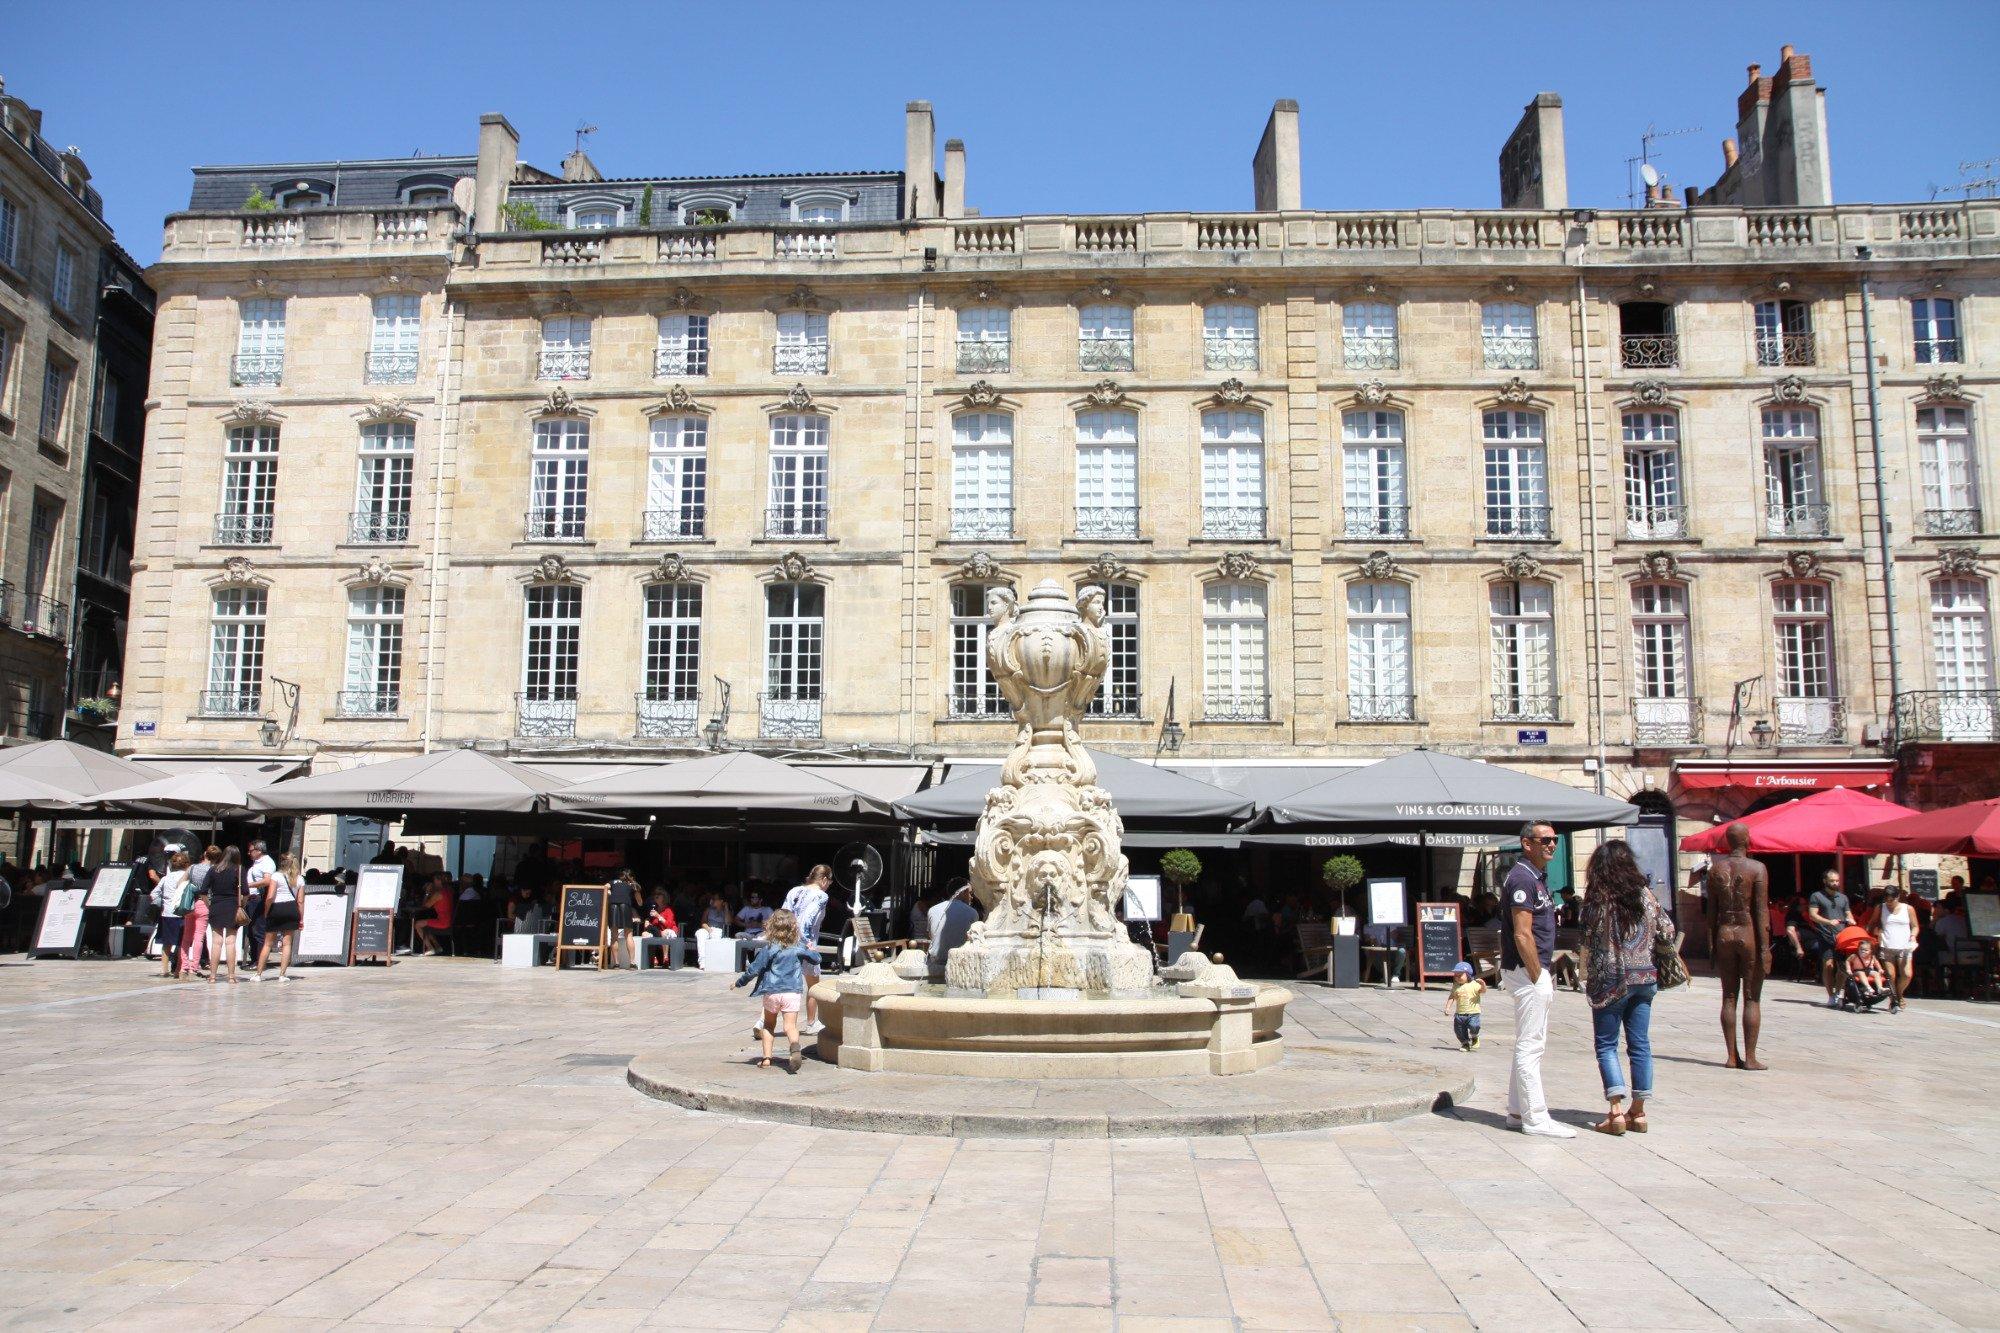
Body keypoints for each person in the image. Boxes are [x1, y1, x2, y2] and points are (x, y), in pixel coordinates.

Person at [1581, 840, 1674, 1135]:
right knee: (1640, 1045)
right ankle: (1639, 1112)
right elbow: (1667, 930)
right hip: (1645, 978)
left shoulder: (1598, 898)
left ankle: (1616, 1112)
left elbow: (1587, 936)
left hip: (1611, 979)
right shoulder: (1646, 894)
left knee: (1607, 1045)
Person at [1501, 819, 1575, 1137]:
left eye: (1554, 840)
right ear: (1526, 843)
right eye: (1545, 840)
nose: (1552, 845)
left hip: (1533, 969)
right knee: (1532, 1045)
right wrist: (1537, 975)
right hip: (1527, 970)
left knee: (1529, 1042)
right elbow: (1522, 934)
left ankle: (1518, 1112)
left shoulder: (1536, 877)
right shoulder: (1522, 878)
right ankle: (1535, 1118)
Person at [1705, 822, 1770, 1070]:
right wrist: (1765, 949)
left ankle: (1731, 1056)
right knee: (1752, 998)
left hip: (1724, 932)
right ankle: (1750, 1057)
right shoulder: (1758, 868)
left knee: (1728, 996)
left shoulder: (1716, 869)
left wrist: (1711, 945)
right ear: (1747, 840)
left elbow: (1710, 912)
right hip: (1748, 931)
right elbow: (1761, 912)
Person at [734, 908, 814, 1073]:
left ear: (771, 927)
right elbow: (817, 959)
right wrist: (810, 949)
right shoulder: (798, 947)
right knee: (790, 1026)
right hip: (792, 992)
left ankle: (766, 1059)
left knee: (769, 1025)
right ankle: (795, 1048)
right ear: (794, 928)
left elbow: (754, 969)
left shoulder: (769, 948)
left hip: (772, 991)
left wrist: (739, 982)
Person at [782, 864, 833, 1032]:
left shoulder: (794, 891)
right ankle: (811, 1023)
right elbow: (808, 920)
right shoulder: (821, 896)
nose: (829, 885)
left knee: (779, 982)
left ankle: (762, 1022)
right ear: (824, 879)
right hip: (806, 944)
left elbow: (783, 915)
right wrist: (806, 942)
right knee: (813, 985)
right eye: (830, 881)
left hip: (785, 942)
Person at [1806, 869, 1854, 1009]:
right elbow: (1812, 915)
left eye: (1837, 880)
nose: (1835, 883)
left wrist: (1851, 919)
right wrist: (1828, 922)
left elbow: (1848, 913)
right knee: (1829, 965)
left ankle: (1838, 992)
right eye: (1832, 881)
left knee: (1843, 966)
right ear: (1825, 881)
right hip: (1825, 934)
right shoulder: (1817, 896)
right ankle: (1830, 995)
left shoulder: (1843, 898)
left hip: (1841, 936)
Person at [256, 853, 305, 982]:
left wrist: (267, 911)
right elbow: (300, 901)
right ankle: (282, 975)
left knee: (268, 943)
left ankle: (258, 974)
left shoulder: (276, 876)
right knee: (287, 943)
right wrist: (301, 918)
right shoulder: (299, 879)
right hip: (291, 909)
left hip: (277, 908)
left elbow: (270, 896)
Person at [1874, 882, 1919, 1013]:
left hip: (1904, 946)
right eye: (1887, 900)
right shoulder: (1880, 908)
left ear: (1898, 897)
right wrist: (1878, 932)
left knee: (1907, 974)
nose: (1889, 903)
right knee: (1891, 975)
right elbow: (1871, 925)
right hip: (1887, 946)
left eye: (1892, 900)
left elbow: (1915, 926)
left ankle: (1898, 994)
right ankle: (1894, 999)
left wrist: (1913, 936)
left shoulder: (1908, 909)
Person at [206, 846, 246, 985]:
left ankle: (212, 976)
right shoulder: (239, 870)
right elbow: (245, 892)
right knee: (231, 942)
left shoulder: (213, 869)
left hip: (216, 906)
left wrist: (208, 905)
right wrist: (242, 905)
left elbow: (202, 890)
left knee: (216, 943)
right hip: (232, 906)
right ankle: (231, 976)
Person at [152, 852, 192, 980]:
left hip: (167, 913)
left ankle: (164, 970)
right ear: (186, 864)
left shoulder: (165, 878)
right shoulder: (188, 877)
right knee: (182, 943)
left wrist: (161, 902)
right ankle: (178, 970)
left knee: (166, 943)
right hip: (183, 914)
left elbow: (153, 894)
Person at [928, 882, 978, 979]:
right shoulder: (972, 912)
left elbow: (931, 936)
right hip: (960, 965)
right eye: (970, 893)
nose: (972, 897)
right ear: (963, 892)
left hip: (936, 963)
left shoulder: (933, 909)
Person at [242, 839, 277, 979]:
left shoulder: (267, 862)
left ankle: (259, 961)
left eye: (251, 851)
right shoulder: (257, 863)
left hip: (259, 900)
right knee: (251, 930)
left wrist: (249, 885)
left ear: (259, 850)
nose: (249, 853)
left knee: (258, 930)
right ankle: (254, 959)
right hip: (251, 900)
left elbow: (268, 880)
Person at [1843, 939, 1893, 1011]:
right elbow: (1847, 961)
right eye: (1861, 949)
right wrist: (1848, 969)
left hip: (1869, 971)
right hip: (1857, 972)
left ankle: (1880, 988)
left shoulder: (1872, 957)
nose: (1863, 951)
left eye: (1866, 950)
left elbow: (1876, 963)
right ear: (1858, 949)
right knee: (1861, 973)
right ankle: (1868, 987)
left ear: (1870, 951)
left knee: (1876, 973)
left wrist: (1880, 969)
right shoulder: (1854, 956)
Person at [1443, 961, 1483, 1051]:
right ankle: (1465, 1043)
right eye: (1455, 975)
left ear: (1468, 975)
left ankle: (1475, 1036)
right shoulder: (1456, 986)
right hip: (1459, 1014)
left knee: (1474, 1026)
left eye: (1460, 975)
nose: (1457, 978)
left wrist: (1483, 985)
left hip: (1473, 1013)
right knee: (1459, 1030)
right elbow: (1452, 997)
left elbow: (1482, 991)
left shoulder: (1474, 984)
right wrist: (1447, 1007)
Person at [414, 873, 454, 955]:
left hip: (443, 922)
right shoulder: (449, 890)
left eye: (434, 881)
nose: (433, 883)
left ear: (439, 881)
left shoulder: (438, 894)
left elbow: (426, 906)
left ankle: (430, 947)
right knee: (426, 923)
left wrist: (427, 892)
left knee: (418, 924)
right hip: (450, 921)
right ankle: (437, 946)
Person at [606, 870, 638, 968]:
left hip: (612, 905)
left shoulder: (613, 882)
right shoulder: (632, 884)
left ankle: (616, 963)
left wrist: (610, 893)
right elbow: (639, 901)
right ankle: (632, 963)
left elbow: (605, 887)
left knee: (614, 936)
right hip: (625, 905)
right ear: (631, 877)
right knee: (628, 935)